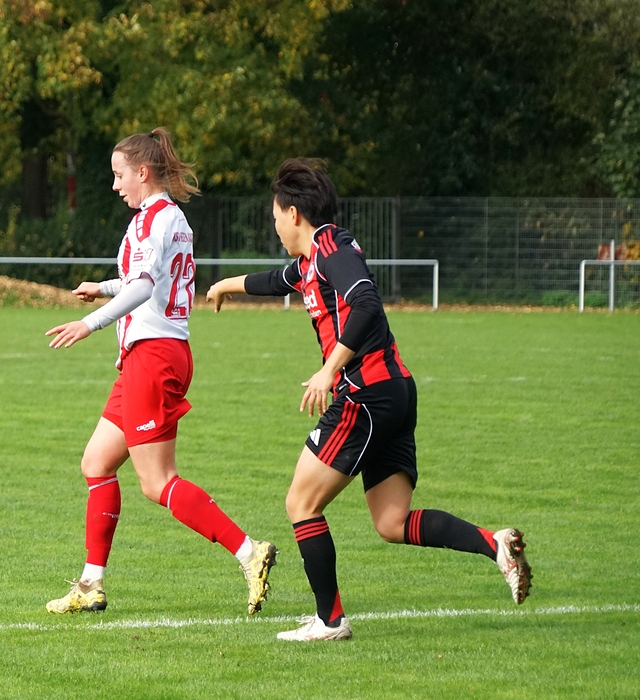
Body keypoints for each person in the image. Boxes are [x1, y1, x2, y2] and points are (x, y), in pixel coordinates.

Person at [205, 158, 532, 641]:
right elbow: (275, 281)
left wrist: (329, 368)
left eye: (274, 215)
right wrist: (223, 285)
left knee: (301, 502)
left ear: (293, 213)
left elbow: (366, 303)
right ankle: (494, 543)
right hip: (394, 392)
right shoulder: (311, 261)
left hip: (365, 394)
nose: (273, 225)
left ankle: (330, 620)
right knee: (392, 521)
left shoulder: (331, 248)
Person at [44, 127, 277, 616]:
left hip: (154, 357)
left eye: (119, 175)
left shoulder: (157, 218)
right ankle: (90, 584)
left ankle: (249, 552)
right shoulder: (162, 217)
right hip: (146, 356)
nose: (115, 185)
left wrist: (90, 323)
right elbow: (143, 279)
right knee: (96, 463)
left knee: (157, 481)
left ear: (142, 172)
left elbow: (146, 286)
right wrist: (104, 287)